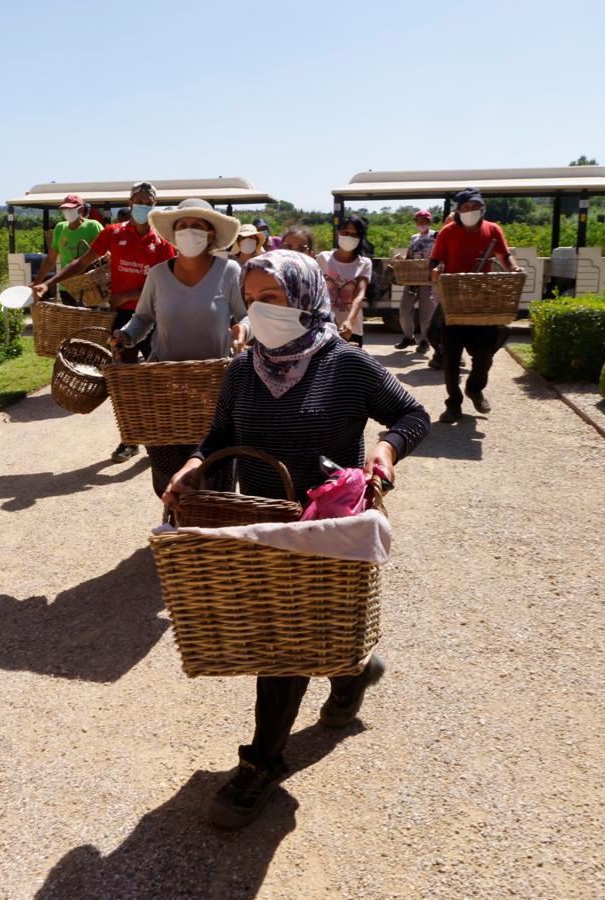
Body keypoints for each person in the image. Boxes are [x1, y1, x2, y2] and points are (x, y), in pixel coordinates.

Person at [163, 249, 430, 829]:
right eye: (252, 300)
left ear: (307, 298)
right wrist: (194, 462)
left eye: (273, 299)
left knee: (283, 648)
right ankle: (353, 669)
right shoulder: (242, 368)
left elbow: (412, 416)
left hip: (328, 526)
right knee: (287, 632)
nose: (260, 311)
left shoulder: (347, 364)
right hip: (262, 523)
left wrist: (384, 452)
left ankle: (261, 763)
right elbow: (220, 434)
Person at [111, 198, 251, 496]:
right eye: (182, 226)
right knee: (167, 465)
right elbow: (143, 318)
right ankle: (176, 526)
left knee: (217, 463)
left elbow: (245, 316)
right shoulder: (158, 274)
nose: (189, 231)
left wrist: (243, 330)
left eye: (197, 226)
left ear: (211, 234)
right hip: (164, 384)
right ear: (173, 234)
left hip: (214, 383)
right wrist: (125, 336)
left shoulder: (229, 272)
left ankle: (216, 526)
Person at [34, 181, 177, 463]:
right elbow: (82, 263)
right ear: (129, 202)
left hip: (156, 318)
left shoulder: (163, 243)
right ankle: (130, 439)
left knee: (159, 378)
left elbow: (167, 282)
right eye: (138, 199)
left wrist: (128, 293)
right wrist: (48, 283)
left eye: (148, 200)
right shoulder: (113, 234)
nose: (142, 204)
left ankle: (164, 436)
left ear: (154, 205)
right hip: (124, 320)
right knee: (123, 380)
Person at [428, 187, 521, 424]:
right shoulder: (447, 233)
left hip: (483, 301)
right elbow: (435, 260)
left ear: (482, 208)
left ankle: (474, 388)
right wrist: (437, 270)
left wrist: (513, 269)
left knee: (484, 356)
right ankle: (454, 404)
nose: (470, 211)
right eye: (465, 208)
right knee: (450, 358)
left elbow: (505, 255)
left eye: (474, 207)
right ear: (457, 211)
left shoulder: (493, 230)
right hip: (454, 301)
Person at [31, 194, 104, 306]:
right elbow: (51, 259)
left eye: (71, 209)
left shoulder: (93, 226)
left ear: (81, 209)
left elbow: (106, 254)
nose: (67, 212)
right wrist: (37, 283)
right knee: (70, 322)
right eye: (65, 209)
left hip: (88, 286)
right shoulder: (60, 228)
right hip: (66, 287)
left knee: (88, 322)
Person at [316, 213, 373, 346]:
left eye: (354, 235)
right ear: (338, 233)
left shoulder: (364, 263)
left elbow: (359, 296)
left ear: (360, 237)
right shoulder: (323, 258)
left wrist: (349, 321)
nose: (349, 237)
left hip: (352, 329)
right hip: (325, 328)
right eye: (345, 232)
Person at [395, 209, 438, 352]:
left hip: (428, 279)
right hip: (413, 279)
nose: (421, 224)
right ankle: (409, 337)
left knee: (426, 313)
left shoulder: (436, 236)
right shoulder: (414, 238)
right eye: (418, 221)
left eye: (424, 221)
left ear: (429, 222)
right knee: (404, 309)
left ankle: (425, 341)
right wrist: (402, 260)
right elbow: (409, 256)